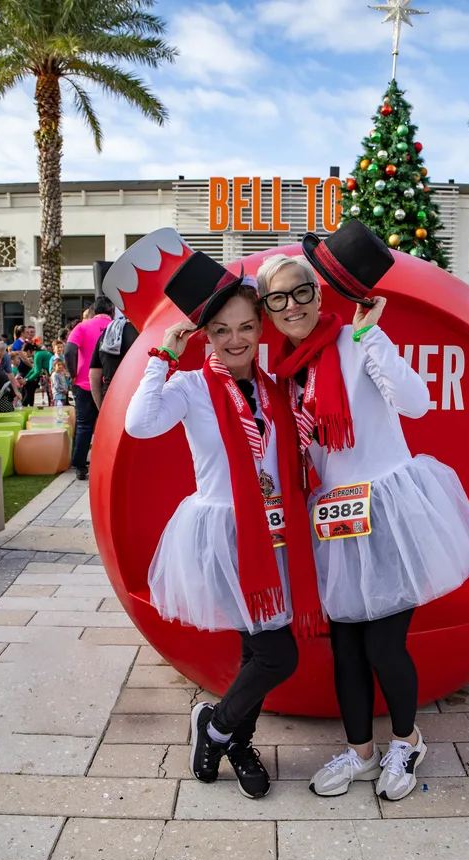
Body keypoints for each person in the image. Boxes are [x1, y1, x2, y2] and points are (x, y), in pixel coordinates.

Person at [257, 220, 469, 802]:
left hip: (387, 509)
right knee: (346, 651)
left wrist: (371, 340)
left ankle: (406, 742)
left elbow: (415, 403)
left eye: (301, 292)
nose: (291, 306)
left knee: (385, 647)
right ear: (267, 306)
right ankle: (361, 752)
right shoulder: (285, 371)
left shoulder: (355, 342)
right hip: (334, 519)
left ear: (318, 293)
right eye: (277, 297)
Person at [125, 251, 323, 800]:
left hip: (275, 534)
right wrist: (163, 354)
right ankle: (216, 726)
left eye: (245, 327)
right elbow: (139, 424)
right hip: (225, 534)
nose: (235, 340)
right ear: (205, 333)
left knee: (256, 651)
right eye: (220, 330)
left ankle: (233, 738)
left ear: (261, 327)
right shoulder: (190, 386)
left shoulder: (274, 385)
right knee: (275, 654)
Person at [65, 289, 115, 480]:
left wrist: (73, 374)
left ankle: (80, 466)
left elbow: (69, 351)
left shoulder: (82, 327)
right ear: (111, 311)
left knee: (84, 425)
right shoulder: (115, 326)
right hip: (111, 386)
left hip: (85, 384)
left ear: (94, 311)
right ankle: (109, 463)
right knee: (111, 425)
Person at [89, 315, 139, 409]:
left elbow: (94, 376)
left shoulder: (108, 334)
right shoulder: (150, 332)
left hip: (109, 402)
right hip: (140, 404)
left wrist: (101, 408)